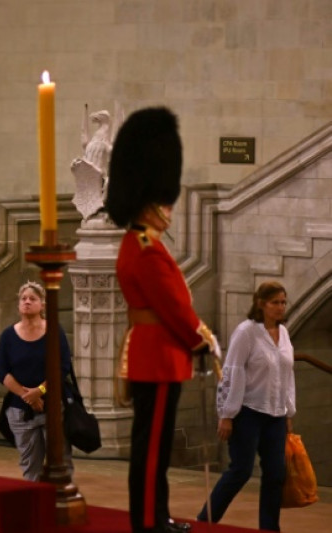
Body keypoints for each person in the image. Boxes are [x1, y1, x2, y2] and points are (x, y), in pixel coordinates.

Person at [104, 107, 220, 533]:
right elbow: (172, 305)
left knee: (154, 446)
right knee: (150, 449)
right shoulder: (145, 247)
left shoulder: (141, 242)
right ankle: (148, 524)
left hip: (158, 355)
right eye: (165, 201)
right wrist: (199, 338)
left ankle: (157, 517)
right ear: (150, 202)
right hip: (158, 355)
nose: (169, 209)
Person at [197, 281, 295, 531]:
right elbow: (233, 372)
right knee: (241, 470)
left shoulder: (283, 333)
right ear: (261, 304)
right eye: (275, 302)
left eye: (283, 302)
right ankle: (205, 519)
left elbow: (287, 373)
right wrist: (227, 414)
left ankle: (269, 527)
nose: (281, 307)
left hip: (275, 415)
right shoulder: (246, 332)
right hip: (248, 412)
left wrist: (288, 411)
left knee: (275, 474)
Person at [0, 280, 73, 481]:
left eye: (32, 298)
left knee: (61, 462)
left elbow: (63, 366)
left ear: (43, 305)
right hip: (20, 410)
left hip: (53, 407)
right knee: (31, 465)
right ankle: (36, 505)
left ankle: (60, 505)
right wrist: (27, 396)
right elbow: (2, 372)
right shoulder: (8, 336)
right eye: (23, 299)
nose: (27, 302)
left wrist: (40, 390)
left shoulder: (54, 331)